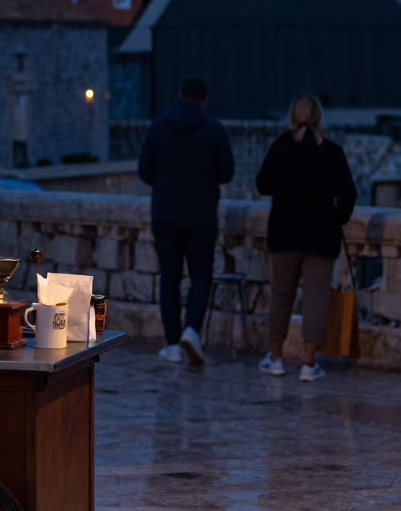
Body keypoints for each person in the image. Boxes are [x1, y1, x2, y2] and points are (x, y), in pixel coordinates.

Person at [256, 94, 356, 382]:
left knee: (281, 298)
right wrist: (339, 218)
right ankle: (309, 364)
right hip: (321, 236)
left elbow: (262, 183)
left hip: (284, 234)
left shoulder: (281, 148)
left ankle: (275, 359)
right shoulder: (332, 152)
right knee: (316, 299)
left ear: (292, 117)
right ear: (319, 118)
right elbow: (349, 193)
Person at [138, 77, 235, 366]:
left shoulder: (158, 127)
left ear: (180, 96)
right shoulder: (214, 131)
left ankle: (171, 343)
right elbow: (227, 173)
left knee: (169, 277)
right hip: (201, 216)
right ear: (204, 99)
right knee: (200, 276)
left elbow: (145, 172)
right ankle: (192, 330)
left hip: (165, 215)